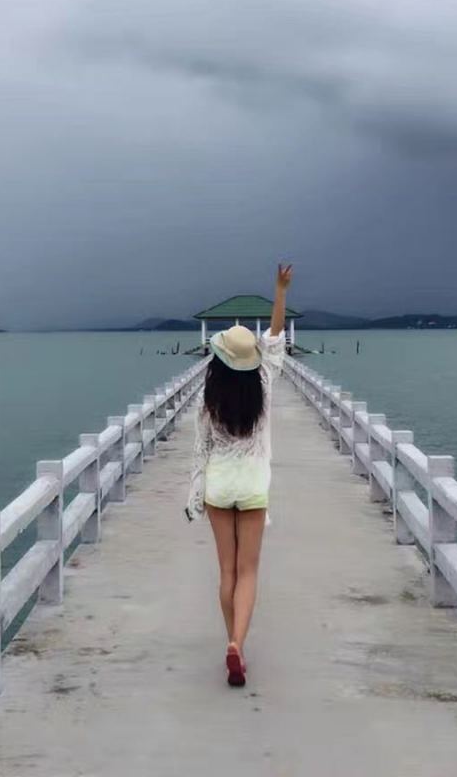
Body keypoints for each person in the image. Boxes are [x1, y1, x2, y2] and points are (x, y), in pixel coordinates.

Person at [186, 263, 293, 687]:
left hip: (219, 486)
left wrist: (195, 494)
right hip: (252, 486)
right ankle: (236, 644)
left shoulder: (209, 397)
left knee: (227, 571)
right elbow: (276, 337)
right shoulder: (263, 383)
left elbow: (200, 450)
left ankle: (235, 645)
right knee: (249, 571)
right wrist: (280, 290)